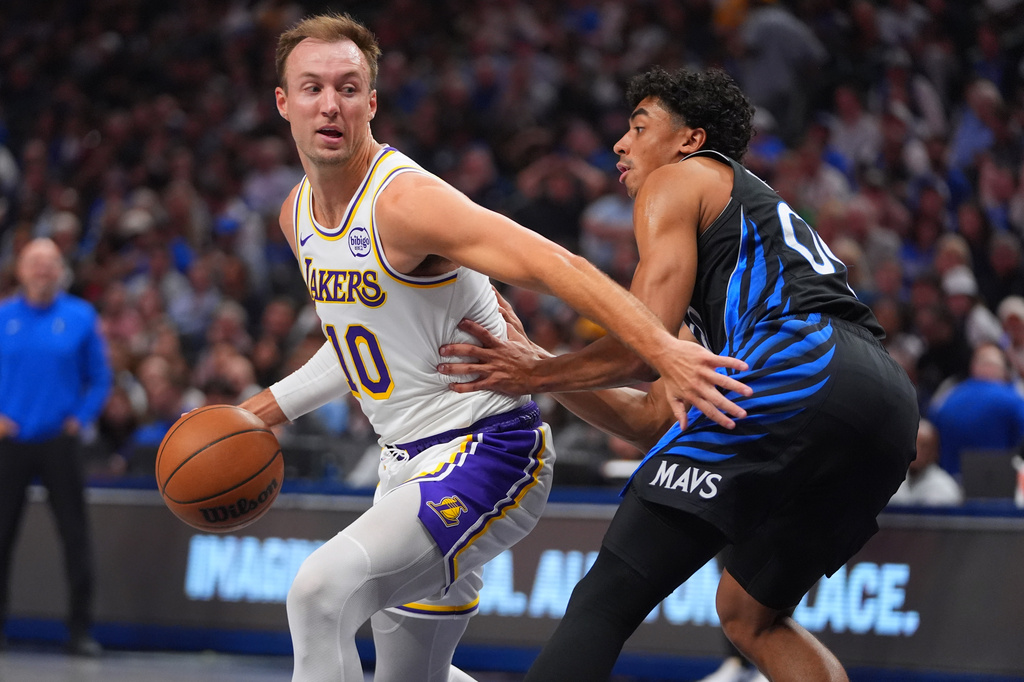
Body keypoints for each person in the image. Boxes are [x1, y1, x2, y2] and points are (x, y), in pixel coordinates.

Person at [236, 15, 750, 682]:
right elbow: (363, 344)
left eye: (347, 87)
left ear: (372, 102)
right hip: (404, 468)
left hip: (489, 447)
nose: (330, 104)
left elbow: (550, 263)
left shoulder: (406, 202)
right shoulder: (295, 215)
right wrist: (259, 414)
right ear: (284, 102)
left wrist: (660, 345)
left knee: (318, 594)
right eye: (311, 88)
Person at [439, 67, 919, 681]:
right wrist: (543, 368)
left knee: (607, 595)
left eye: (639, 127)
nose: (621, 143)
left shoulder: (679, 179)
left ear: (689, 140)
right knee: (750, 616)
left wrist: (537, 373)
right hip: (883, 402)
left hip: (803, 361)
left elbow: (644, 344)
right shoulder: (740, 241)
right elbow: (654, 415)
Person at [0, 238, 112, 656]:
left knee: (75, 538)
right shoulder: (3, 316)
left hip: (58, 442)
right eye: (35, 263)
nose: (42, 271)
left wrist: (78, 420)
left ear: (60, 270)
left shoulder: (80, 316)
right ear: (21, 270)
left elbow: (100, 378)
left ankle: (80, 631)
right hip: (9, 441)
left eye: (49, 264)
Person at [928, 342, 1024, 477]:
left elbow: (929, 434)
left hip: (949, 485)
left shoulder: (947, 397)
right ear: (1001, 369)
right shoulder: (1012, 398)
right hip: (995, 483)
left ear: (973, 367)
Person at [887, 419, 964, 506]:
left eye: (923, 447)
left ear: (935, 452)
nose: (916, 451)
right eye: (912, 444)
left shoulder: (946, 489)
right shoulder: (888, 481)